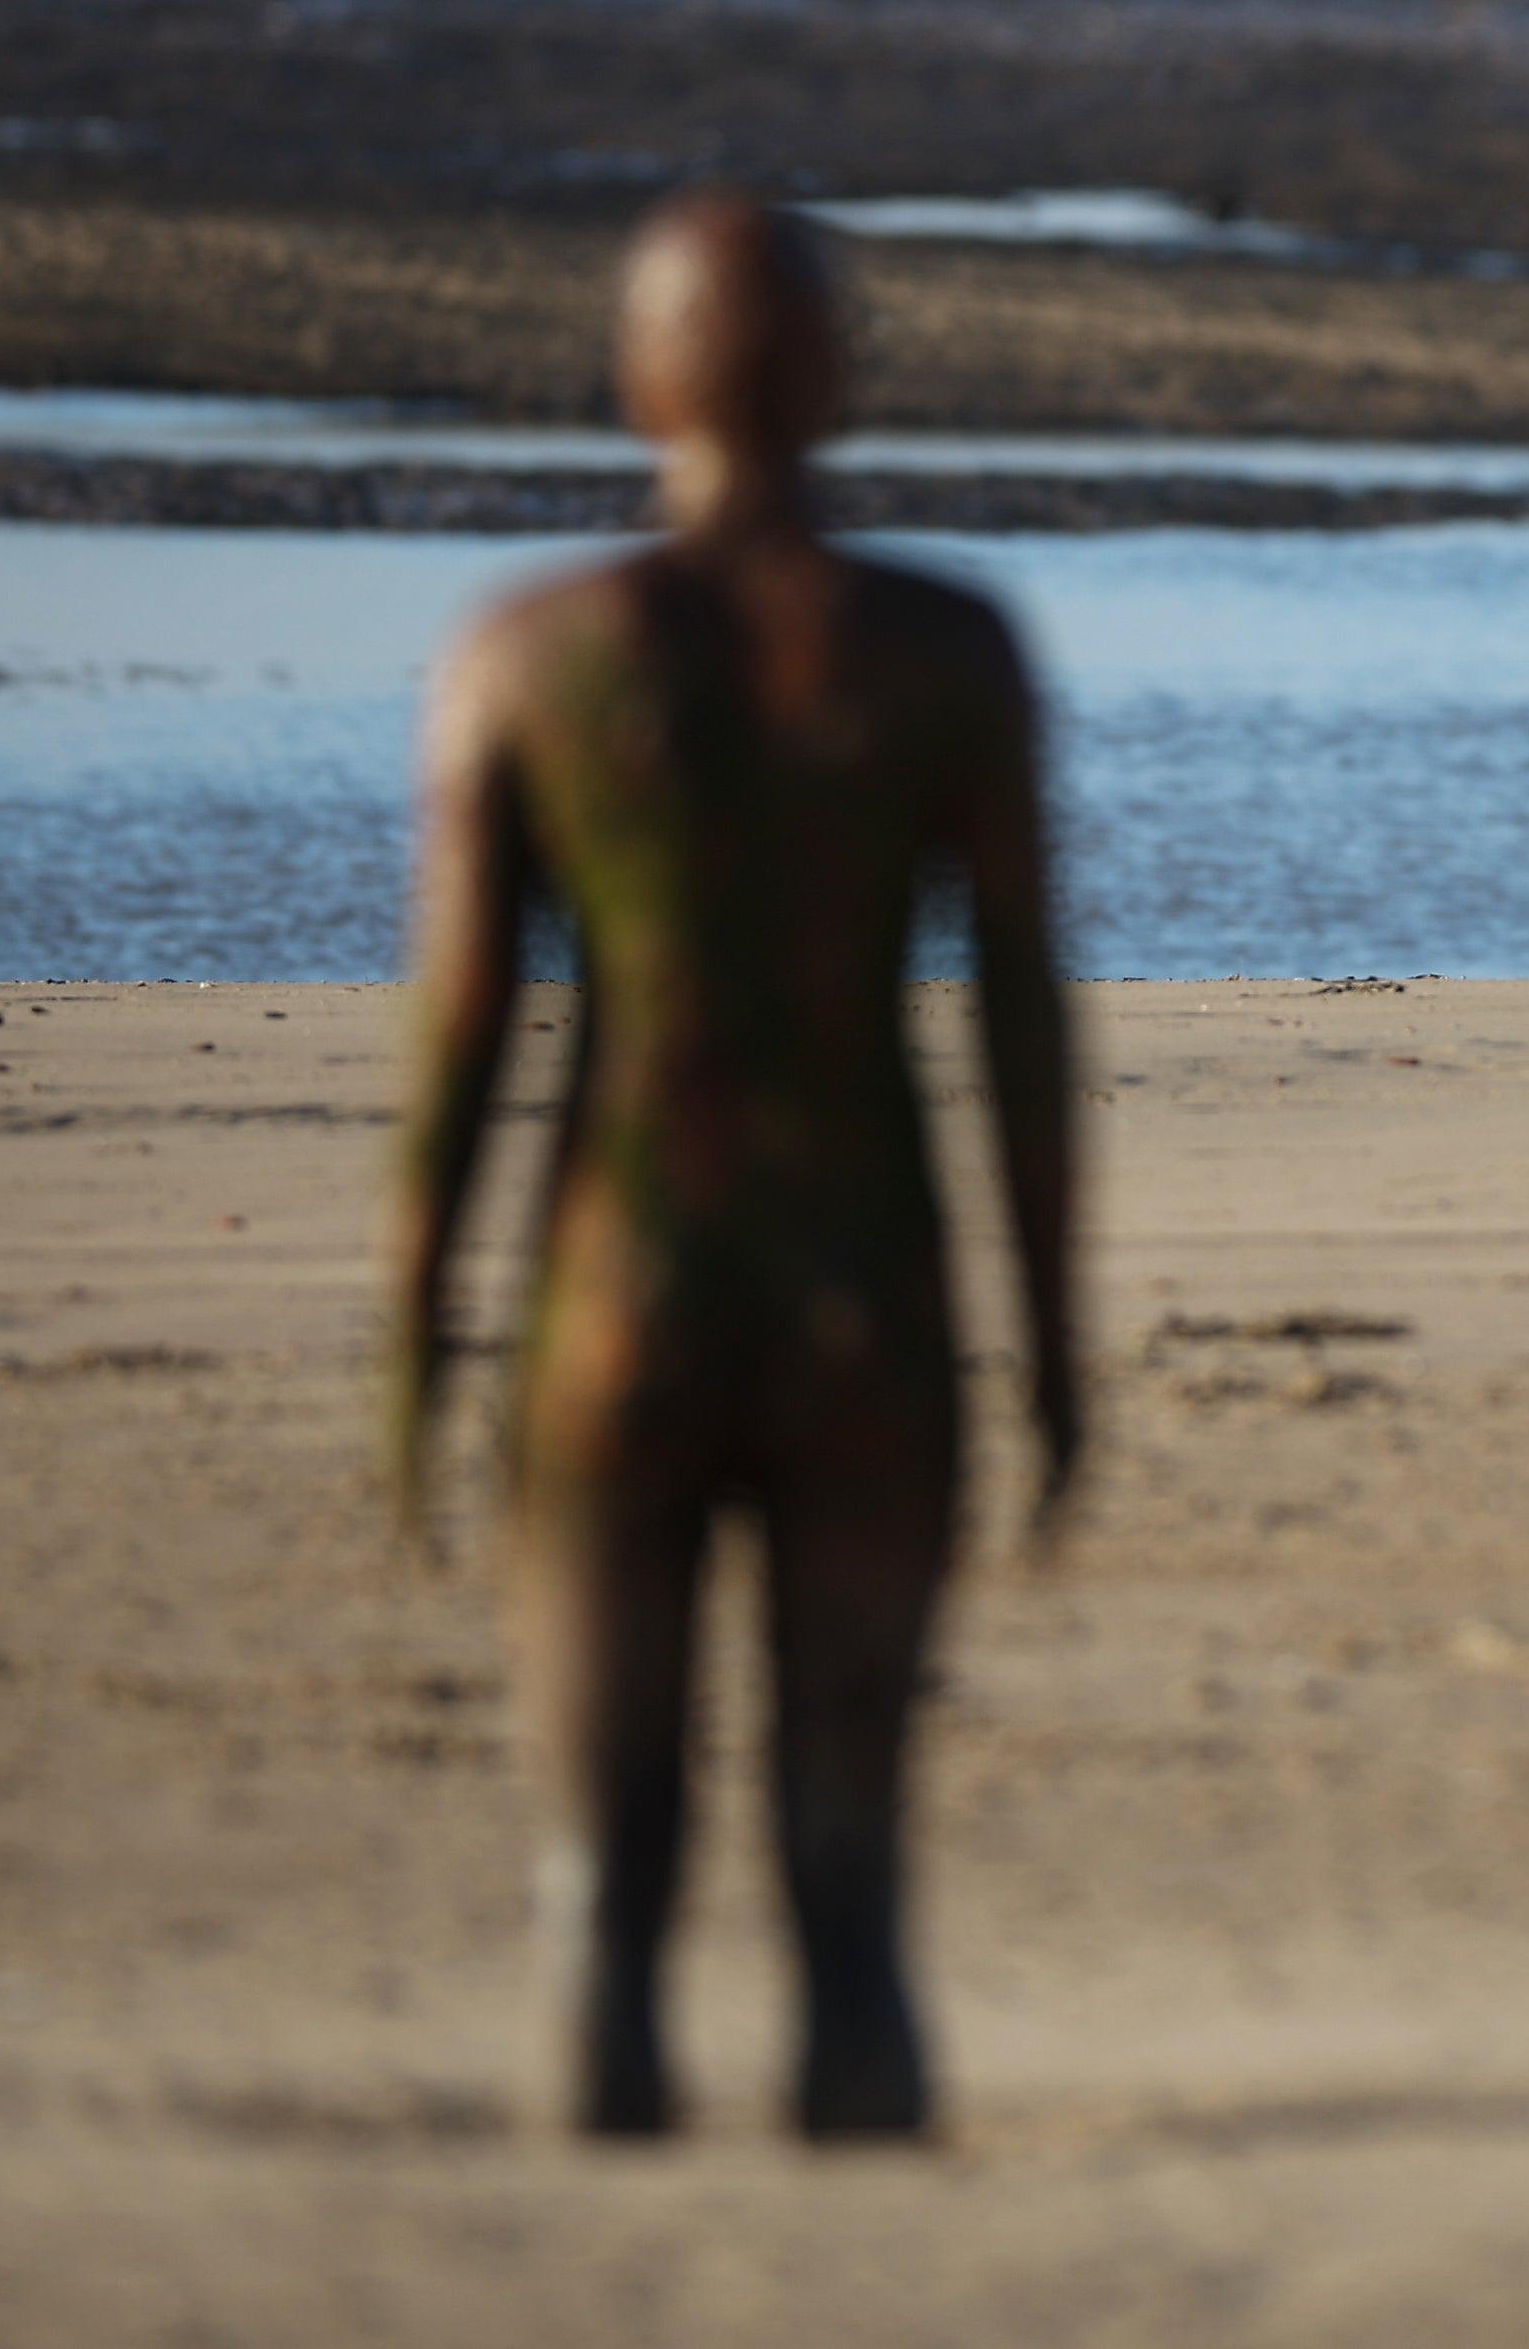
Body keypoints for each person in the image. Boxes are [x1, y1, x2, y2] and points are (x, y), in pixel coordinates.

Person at [382, 189, 1081, 2140]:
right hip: (868, 1280)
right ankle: (854, 2106)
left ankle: (608, 2104)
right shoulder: (947, 647)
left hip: (627, 1279)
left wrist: (415, 1324)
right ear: (837, 377)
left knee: (602, 1876)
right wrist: (1054, 1336)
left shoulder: (529, 652)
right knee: (849, 1860)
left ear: (641, 375)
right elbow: (1022, 1033)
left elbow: (460, 1035)